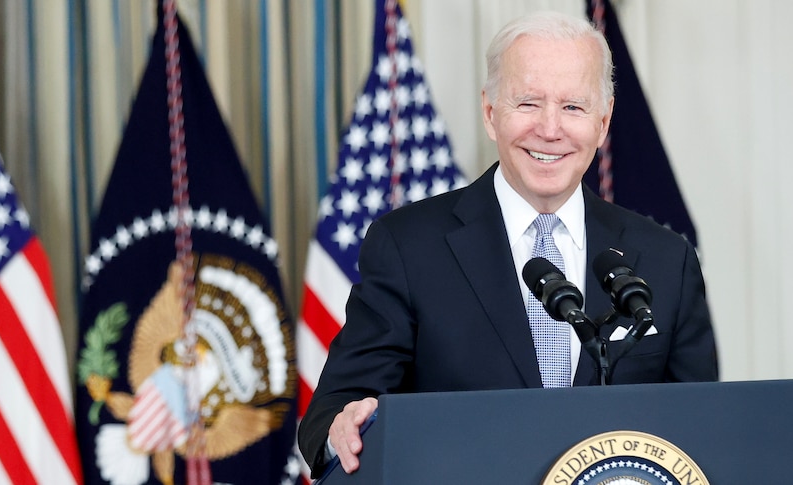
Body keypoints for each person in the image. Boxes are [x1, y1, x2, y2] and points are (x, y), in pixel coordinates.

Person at [298, 10, 718, 478]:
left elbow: (701, 427)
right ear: (490, 112)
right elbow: (331, 412)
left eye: (573, 107)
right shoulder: (408, 246)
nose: (550, 129)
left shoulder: (666, 259)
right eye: (528, 103)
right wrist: (343, 427)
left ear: (603, 122)